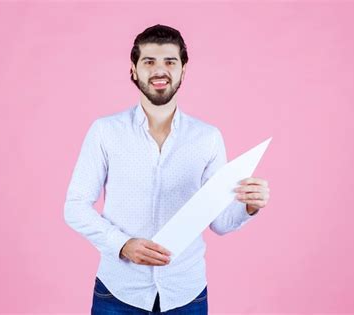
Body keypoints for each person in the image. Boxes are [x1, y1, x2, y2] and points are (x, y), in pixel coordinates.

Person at [64, 24, 270, 314]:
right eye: (149, 62)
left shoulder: (208, 137)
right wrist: (122, 245)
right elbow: (75, 206)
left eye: (170, 62)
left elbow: (220, 222)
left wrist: (248, 206)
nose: (160, 71)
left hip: (186, 294)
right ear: (134, 70)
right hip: (118, 292)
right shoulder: (105, 132)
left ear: (184, 70)